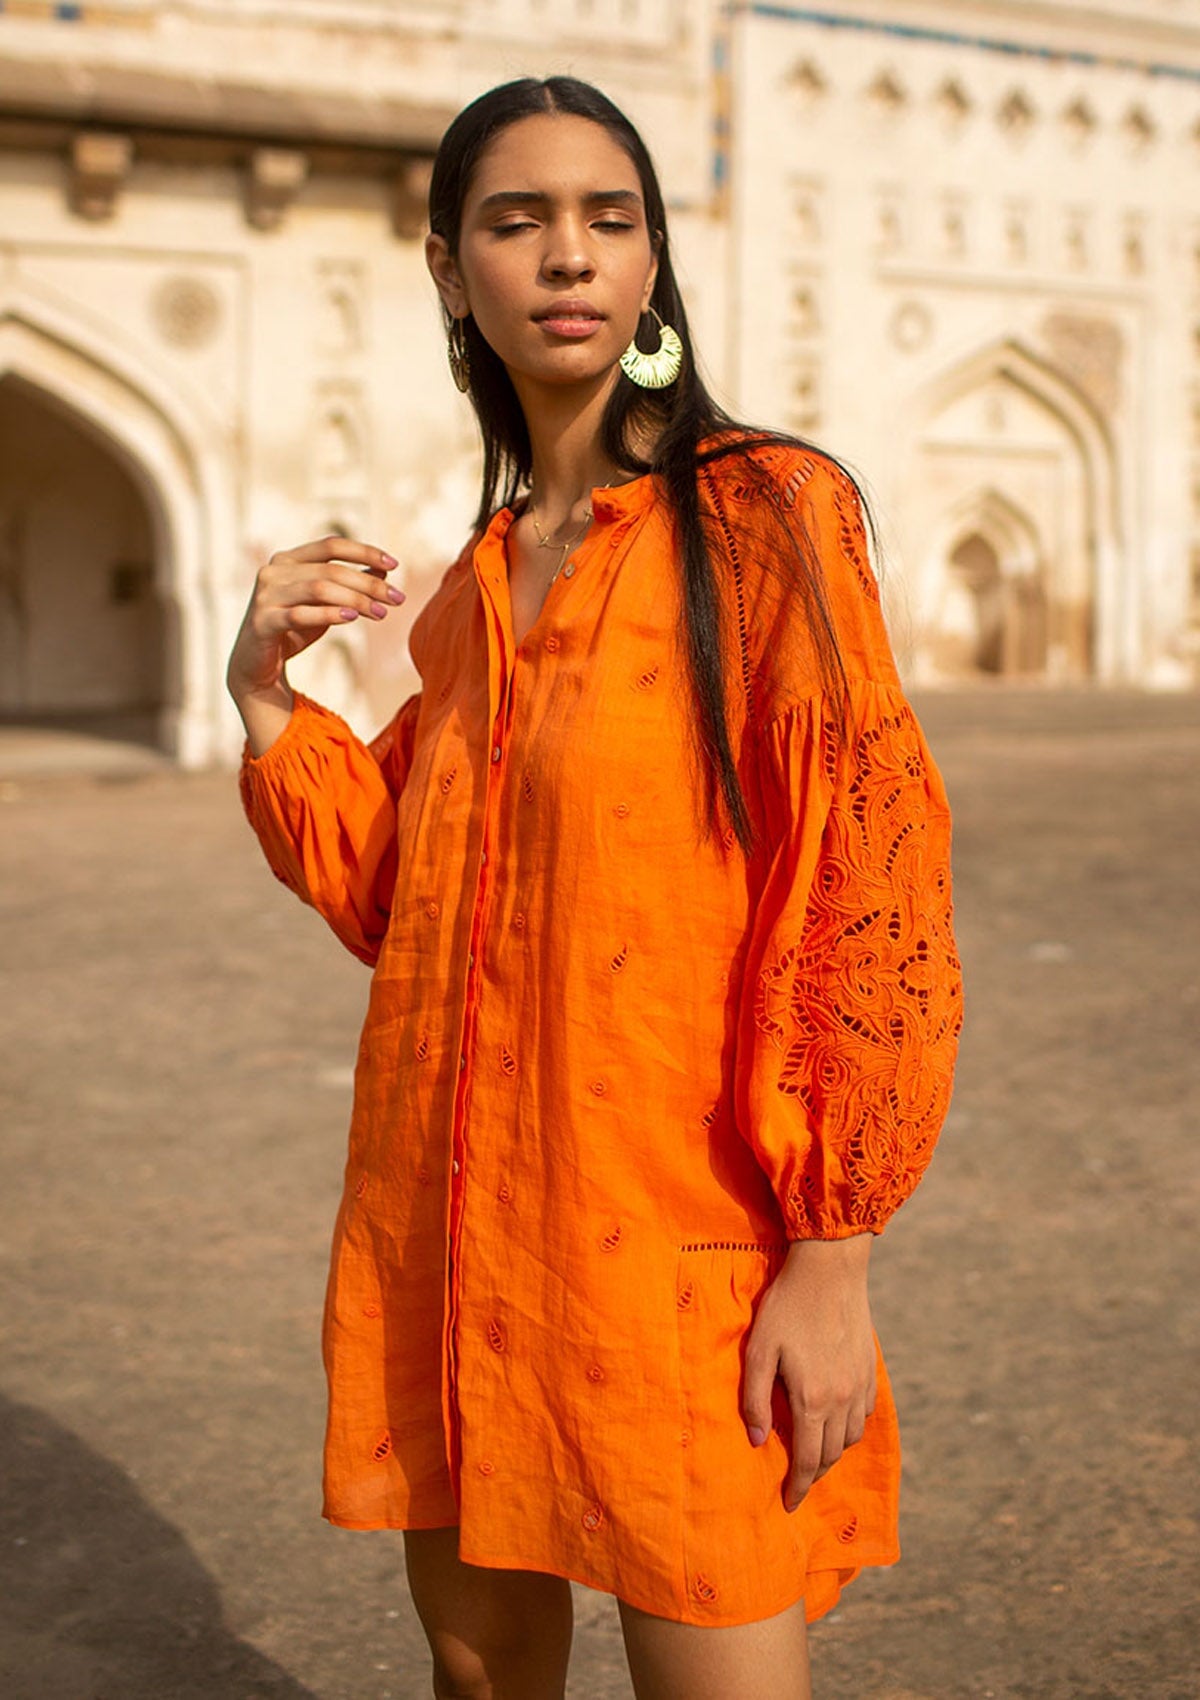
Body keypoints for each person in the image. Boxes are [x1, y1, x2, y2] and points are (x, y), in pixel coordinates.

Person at [228, 74, 963, 1700]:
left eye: (607, 218)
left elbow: (874, 881)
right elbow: (397, 904)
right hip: (461, 1229)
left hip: (679, 1250)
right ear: (448, 271)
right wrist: (274, 700)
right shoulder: (481, 585)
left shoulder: (767, 518)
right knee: (486, 1679)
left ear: (648, 271)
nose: (568, 255)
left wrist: (832, 1256)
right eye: (517, 219)